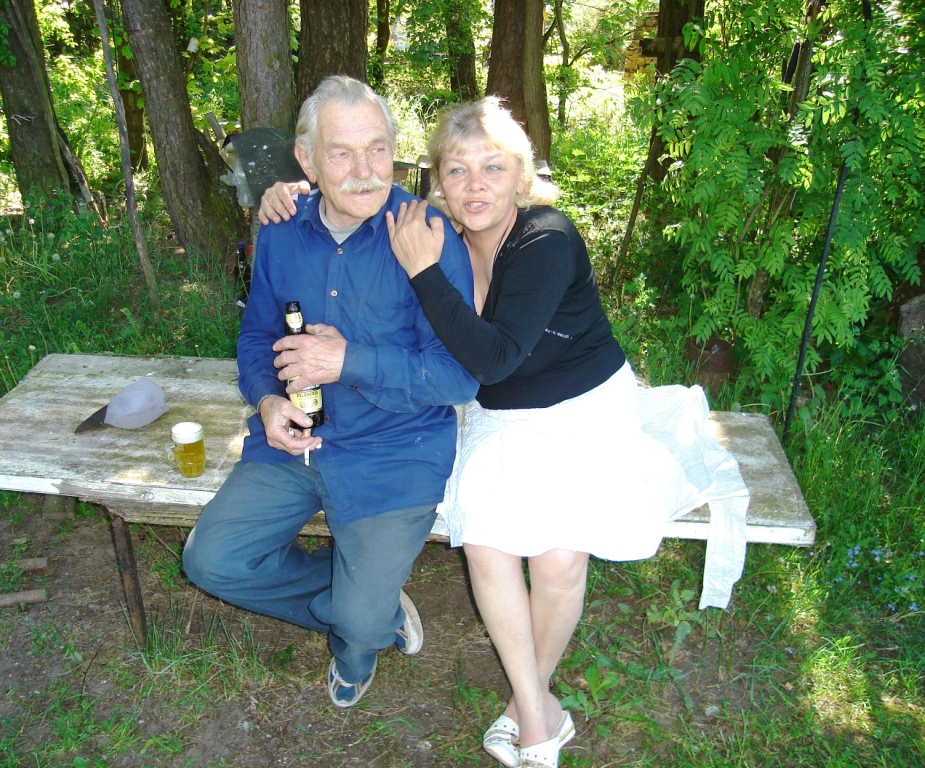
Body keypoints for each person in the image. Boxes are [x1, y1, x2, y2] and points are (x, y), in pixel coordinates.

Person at [261, 97, 694, 767]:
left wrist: (423, 271)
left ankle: (530, 712)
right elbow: (353, 193)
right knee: (488, 543)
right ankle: (539, 712)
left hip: (584, 407)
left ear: (521, 174)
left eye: (493, 167)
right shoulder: (443, 236)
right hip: (502, 416)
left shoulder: (546, 238)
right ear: (438, 178)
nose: (475, 185)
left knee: (559, 557)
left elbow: (493, 357)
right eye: (457, 169)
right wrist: (291, 192)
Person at [182, 75, 479, 710]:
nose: (364, 172)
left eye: (378, 149)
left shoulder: (426, 234)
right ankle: (363, 602)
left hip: (394, 452)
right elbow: (257, 336)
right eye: (341, 153)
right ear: (307, 160)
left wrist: (347, 361)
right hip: (297, 443)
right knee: (212, 562)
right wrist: (267, 400)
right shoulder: (282, 228)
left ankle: (359, 628)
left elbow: (459, 376)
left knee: (359, 626)